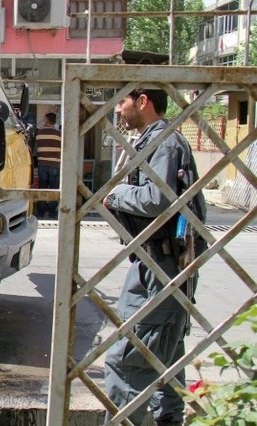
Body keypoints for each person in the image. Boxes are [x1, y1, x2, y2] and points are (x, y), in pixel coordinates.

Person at [102, 88, 205, 426]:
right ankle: (169, 421)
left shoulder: (165, 143)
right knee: (167, 355)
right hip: (160, 265)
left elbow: (156, 199)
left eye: (122, 101)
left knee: (127, 359)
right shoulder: (156, 140)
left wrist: (116, 193)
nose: (118, 110)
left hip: (161, 268)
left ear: (142, 101)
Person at [35, 112, 62, 219]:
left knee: (42, 188)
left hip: (42, 164)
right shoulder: (59, 134)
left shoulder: (39, 133)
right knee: (54, 189)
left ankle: (41, 212)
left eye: (43, 119)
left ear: (46, 120)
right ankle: (52, 212)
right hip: (55, 164)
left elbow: (35, 148)